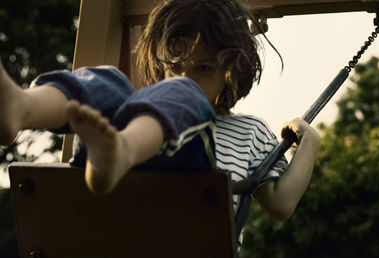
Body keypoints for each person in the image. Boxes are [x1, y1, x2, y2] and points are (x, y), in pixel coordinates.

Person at [0, 0, 319, 232]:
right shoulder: (138, 109)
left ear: (230, 73)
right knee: (110, 82)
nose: (185, 76)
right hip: (111, 212)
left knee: (181, 93)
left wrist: (310, 140)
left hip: (187, 233)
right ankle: (22, 108)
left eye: (203, 68)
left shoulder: (249, 131)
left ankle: (121, 153)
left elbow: (281, 204)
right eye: (175, 64)